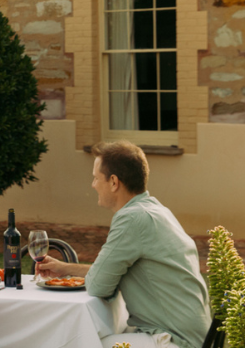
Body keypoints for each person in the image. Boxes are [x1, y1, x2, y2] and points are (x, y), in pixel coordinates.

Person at [36, 141, 211, 348]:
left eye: (95, 178)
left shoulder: (132, 219)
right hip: (193, 335)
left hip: (175, 340)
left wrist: (81, 274)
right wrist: (65, 269)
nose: (92, 185)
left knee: (74, 341)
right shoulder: (155, 210)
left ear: (113, 182)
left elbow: (98, 285)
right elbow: (116, 272)